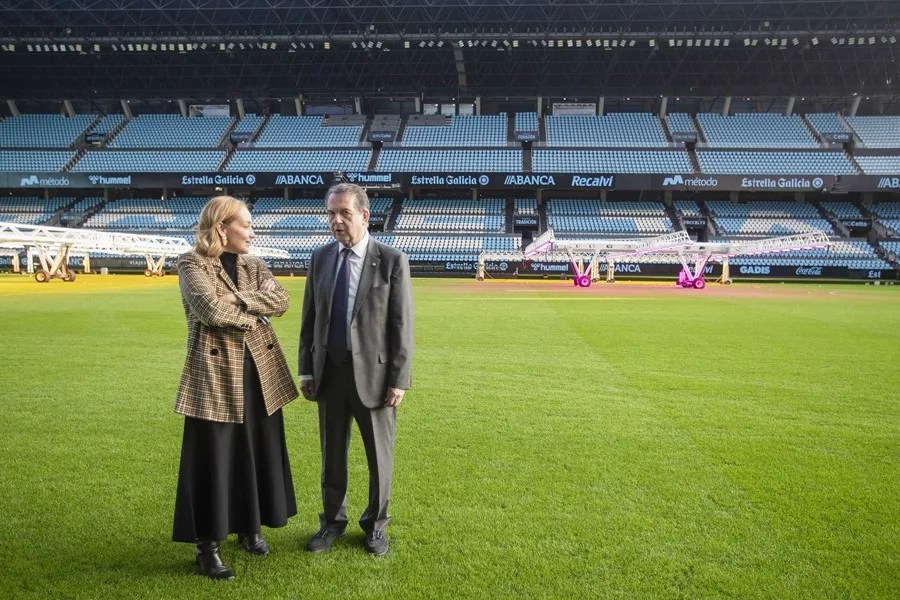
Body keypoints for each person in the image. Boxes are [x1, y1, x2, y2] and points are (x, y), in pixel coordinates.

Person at [172, 195, 298, 580]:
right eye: (245, 224)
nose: (252, 231)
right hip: (214, 376)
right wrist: (253, 315)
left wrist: (240, 297)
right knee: (214, 455)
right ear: (222, 227)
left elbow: (282, 301)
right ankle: (206, 546)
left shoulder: (254, 264)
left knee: (254, 451)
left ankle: (250, 526)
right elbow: (210, 310)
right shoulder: (192, 262)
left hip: (259, 373)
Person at [299, 183, 413, 557]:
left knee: (379, 458)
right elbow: (310, 319)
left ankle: (376, 527)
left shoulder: (391, 259)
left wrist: (398, 378)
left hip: (377, 379)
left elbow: (401, 325)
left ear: (364, 215)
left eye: (344, 213)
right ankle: (332, 522)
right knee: (332, 455)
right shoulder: (320, 258)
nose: (336, 221)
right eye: (331, 213)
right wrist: (307, 371)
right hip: (329, 373)